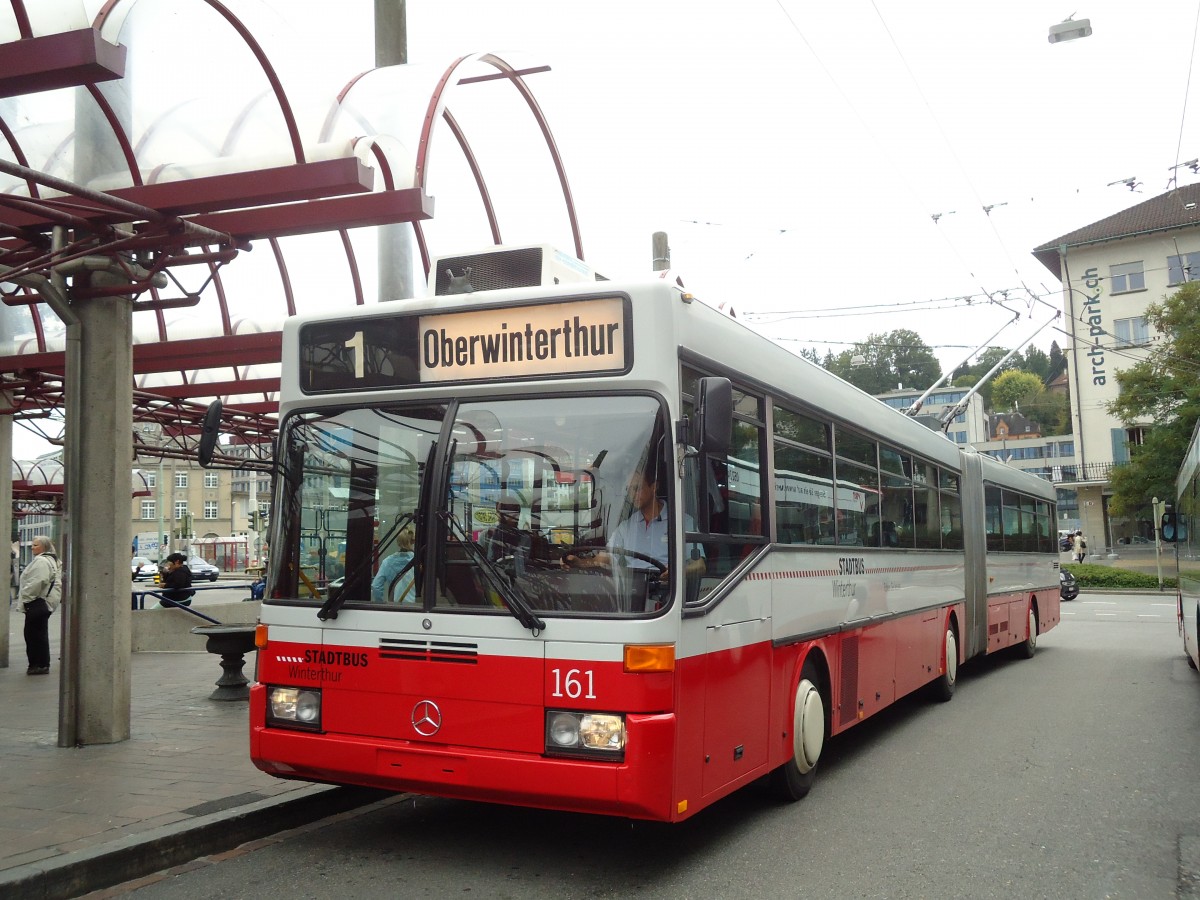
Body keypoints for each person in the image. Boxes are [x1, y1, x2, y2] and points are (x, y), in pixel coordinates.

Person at [569, 467, 705, 582]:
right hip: (633, 590)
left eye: (637, 488)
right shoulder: (626, 526)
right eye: (629, 489)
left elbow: (700, 565)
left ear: (654, 487)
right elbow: (606, 557)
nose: (632, 494)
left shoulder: (682, 522)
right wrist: (580, 563)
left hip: (667, 592)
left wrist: (677, 573)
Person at [18, 535, 61, 675]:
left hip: (37, 602)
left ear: (44, 546)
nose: (32, 547)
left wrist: (27, 598)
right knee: (39, 634)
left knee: (33, 635)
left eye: (36, 545)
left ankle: (38, 664)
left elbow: (38, 581)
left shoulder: (41, 561)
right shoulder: (52, 560)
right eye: (32, 544)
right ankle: (41, 664)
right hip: (44, 602)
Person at [372, 529, 416, 602]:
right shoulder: (420, 562)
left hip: (395, 607)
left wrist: (380, 604)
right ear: (413, 541)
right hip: (416, 608)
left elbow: (376, 586)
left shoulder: (387, 562)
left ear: (398, 542)